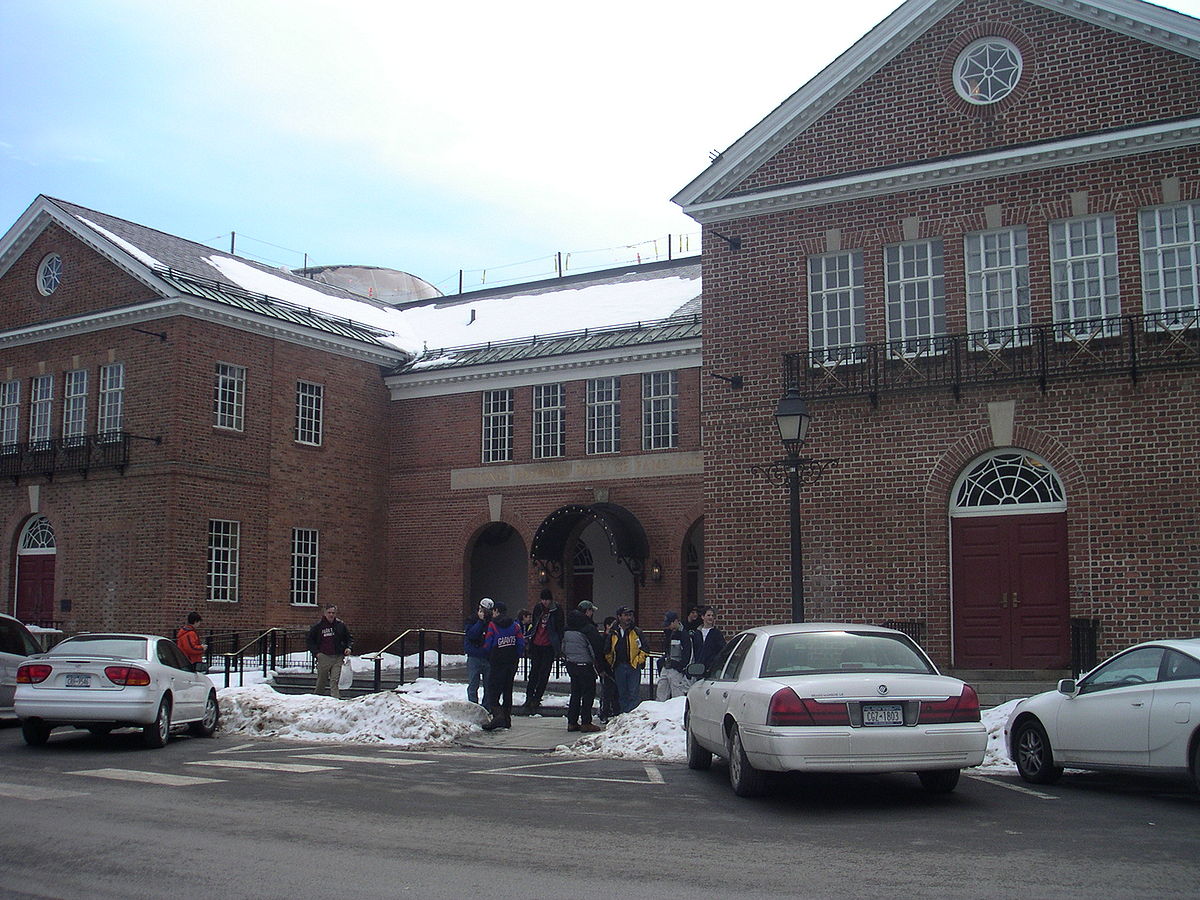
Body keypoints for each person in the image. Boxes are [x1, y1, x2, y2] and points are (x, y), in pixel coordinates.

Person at [561, 600, 606, 733]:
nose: (592, 614)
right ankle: (586, 722)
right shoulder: (588, 628)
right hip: (585, 664)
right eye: (591, 611)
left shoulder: (567, 627)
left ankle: (572, 722)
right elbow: (596, 649)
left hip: (571, 664)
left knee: (575, 693)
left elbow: (563, 646)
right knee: (588, 693)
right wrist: (601, 667)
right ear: (587, 611)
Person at [481, 601, 524, 731]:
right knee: (507, 690)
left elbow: (488, 644)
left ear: (497, 611)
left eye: (494, 611)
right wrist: (516, 656)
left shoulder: (493, 626)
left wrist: (487, 655)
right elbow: (520, 643)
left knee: (493, 691)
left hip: (497, 662)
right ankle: (507, 719)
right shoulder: (515, 626)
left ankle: (498, 716)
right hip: (511, 663)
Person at [523, 589, 563, 713]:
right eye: (543, 600)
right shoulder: (538, 609)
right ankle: (529, 697)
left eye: (547, 600)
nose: (545, 602)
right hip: (537, 644)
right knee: (534, 672)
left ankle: (537, 697)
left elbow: (560, 627)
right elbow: (534, 624)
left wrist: (558, 643)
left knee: (544, 673)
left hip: (548, 645)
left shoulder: (556, 610)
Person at [604, 606, 648, 714]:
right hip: (619, 666)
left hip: (633, 666)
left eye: (630, 615)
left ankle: (632, 716)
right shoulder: (613, 633)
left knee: (633, 693)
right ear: (619, 617)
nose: (629, 618)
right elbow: (607, 650)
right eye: (626, 615)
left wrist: (638, 660)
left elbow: (645, 648)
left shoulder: (637, 632)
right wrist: (613, 662)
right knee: (622, 693)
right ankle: (624, 715)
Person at [306, 604, 353, 698]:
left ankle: (335, 699)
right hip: (324, 656)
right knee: (321, 681)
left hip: (337, 656)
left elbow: (348, 638)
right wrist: (317, 653)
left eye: (333, 613)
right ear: (325, 613)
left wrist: (348, 647)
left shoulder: (340, 625)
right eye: (329, 612)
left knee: (334, 680)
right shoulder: (318, 626)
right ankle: (317, 698)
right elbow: (310, 641)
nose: (331, 615)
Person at [655, 611, 695, 701]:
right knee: (661, 691)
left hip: (677, 669)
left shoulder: (684, 635)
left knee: (677, 696)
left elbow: (687, 655)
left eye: (670, 624)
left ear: (675, 621)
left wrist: (681, 667)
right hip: (667, 665)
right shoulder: (669, 633)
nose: (668, 626)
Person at [464, 598, 494, 705]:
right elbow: (472, 635)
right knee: (473, 684)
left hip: (487, 657)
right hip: (474, 656)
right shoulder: (472, 620)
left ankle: (486, 708)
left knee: (489, 685)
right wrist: (480, 621)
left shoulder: (492, 622)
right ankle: (473, 707)